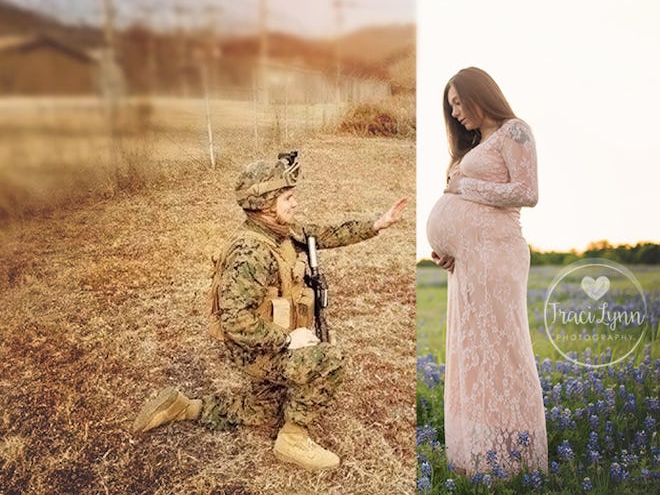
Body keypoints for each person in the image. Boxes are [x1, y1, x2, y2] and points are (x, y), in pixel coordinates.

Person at [133, 151, 407, 471]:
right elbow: (235, 320)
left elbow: (324, 234)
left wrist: (377, 224)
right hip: (255, 350)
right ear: (265, 205)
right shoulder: (250, 251)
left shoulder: (281, 232)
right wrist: (288, 340)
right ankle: (292, 441)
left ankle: (184, 408)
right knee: (330, 359)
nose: (295, 203)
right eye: (288, 198)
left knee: (264, 412)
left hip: (266, 343)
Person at [426, 67, 548, 475]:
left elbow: (527, 192)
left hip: (498, 256)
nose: (456, 112)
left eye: (459, 102)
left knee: (504, 351)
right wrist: (449, 252)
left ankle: (518, 459)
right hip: (468, 263)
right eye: (451, 107)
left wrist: (464, 188)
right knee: (473, 354)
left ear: (482, 93)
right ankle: (479, 457)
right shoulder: (475, 144)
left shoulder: (515, 131)